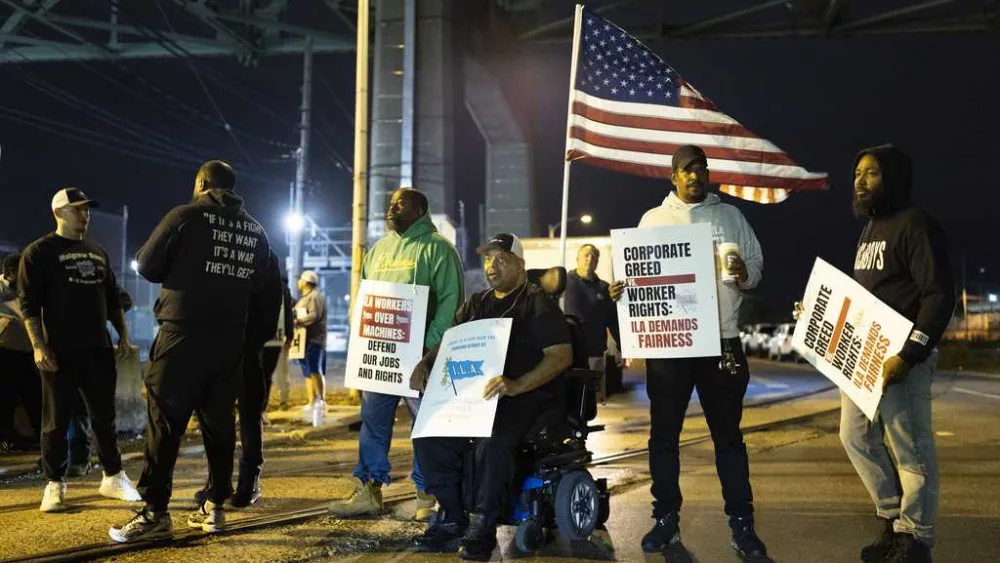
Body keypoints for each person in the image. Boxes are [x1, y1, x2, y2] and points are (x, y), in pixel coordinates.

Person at [609, 145, 767, 559]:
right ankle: (665, 521)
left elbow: (755, 266)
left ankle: (743, 525)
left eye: (702, 168)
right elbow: (632, 274)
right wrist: (620, 289)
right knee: (663, 438)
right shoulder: (652, 220)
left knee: (729, 440)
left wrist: (745, 273)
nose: (696, 175)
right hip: (671, 346)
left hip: (722, 342)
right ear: (673, 177)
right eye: (687, 170)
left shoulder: (730, 216)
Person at [109, 160, 271, 542]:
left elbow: (148, 264)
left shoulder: (185, 216)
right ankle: (214, 508)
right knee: (218, 426)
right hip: (229, 340)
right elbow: (260, 282)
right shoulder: (256, 230)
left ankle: (154, 512)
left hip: (181, 335)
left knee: (164, 423)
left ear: (201, 184)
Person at [409, 233, 572, 561]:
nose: (492, 265)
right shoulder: (476, 303)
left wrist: (516, 384)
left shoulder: (537, 303)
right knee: (429, 436)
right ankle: (454, 517)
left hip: (523, 396)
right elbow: (449, 342)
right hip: (475, 395)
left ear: (520, 265)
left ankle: (482, 525)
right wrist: (425, 363)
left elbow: (560, 355)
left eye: (502, 259)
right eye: (487, 259)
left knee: (491, 441)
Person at [841, 145, 954, 563]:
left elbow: (938, 296)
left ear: (894, 177)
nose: (860, 180)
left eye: (871, 173)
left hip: (900, 360)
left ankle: (916, 538)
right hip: (863, 359)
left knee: (912, 450)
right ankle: (893, 519)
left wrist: (910, 354)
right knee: (854, 436)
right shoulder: (869, 230)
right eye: (857, 173)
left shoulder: (916, 225)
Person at [329, 187, 464, 521]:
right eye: (389, 204)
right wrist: (362, 342)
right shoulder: (378, 250)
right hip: (381, 359)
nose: (390, 208)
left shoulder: (440, 250)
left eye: (399, 204)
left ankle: (426, 494)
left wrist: (425, 351)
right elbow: (364, 297)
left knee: (424, 426)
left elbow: (450, 304)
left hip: (419, 360)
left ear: (419, 209)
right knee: (373, 424)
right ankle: (369, 490)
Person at [17, 188, 141, 512]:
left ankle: (113, 476)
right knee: (56, 421)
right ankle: (55, 484)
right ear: (58, 213)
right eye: (77, 210)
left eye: (87, 210)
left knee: (104, 418)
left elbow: (113, 300)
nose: (85, 215)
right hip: (59, 350)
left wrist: (124, 336)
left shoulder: (98, 251)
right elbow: (29, 305)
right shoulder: (39, 252)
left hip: (98, 349)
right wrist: (38, 346)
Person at [563, 244, 621, 401]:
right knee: (570, 398)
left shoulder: (604, 288)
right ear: (577, 259)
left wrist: (622, 347)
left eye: (594, 256)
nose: (590, 259)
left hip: (595, 353)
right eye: (586, 255)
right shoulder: (565, 283)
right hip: (570, 354)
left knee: (592, 401)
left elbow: (612, 320)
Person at [0, 252, 41, 453]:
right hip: (5, 354)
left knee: (34, 395)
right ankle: (5, 440)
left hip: (27, 353)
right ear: (9, 273)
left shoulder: (28, 288)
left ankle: (40, 436)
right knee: (5, 398)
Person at [293, 270, 327, 424]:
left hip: (314, 339)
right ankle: (312, 400)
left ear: (306, 282)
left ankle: (321, 400)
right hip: (304, 340)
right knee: (308, 372)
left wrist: (299, 321)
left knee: (314, 369)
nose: (298, 282)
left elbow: (314, 315)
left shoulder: (314, 296)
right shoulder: (304, 298)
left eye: (300, 279)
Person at [265, 274, 294, 410]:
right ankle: (282, 400)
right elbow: (288, 313)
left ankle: (260, 406)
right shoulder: (284, 290)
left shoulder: (256, 282)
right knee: (275, 372)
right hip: (277, 337)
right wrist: (290, 335)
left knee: (259, 374)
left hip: (257, 338)